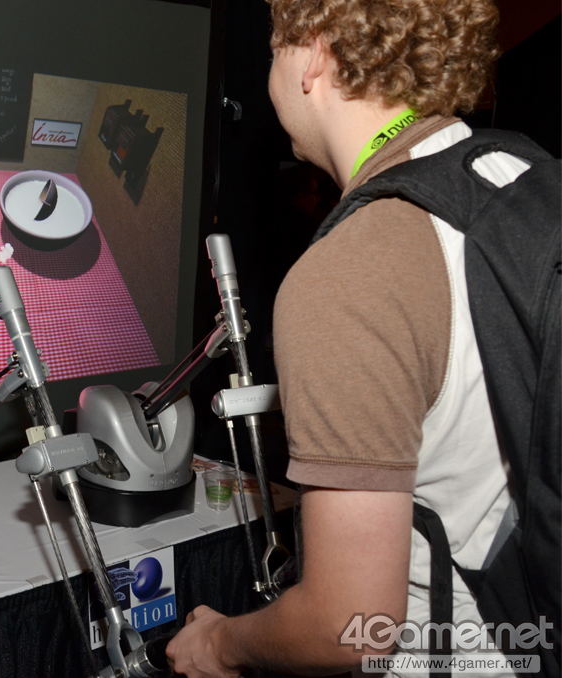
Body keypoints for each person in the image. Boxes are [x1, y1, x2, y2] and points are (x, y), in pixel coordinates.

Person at [166, 0, 524, 675]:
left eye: (275, 50)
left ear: (315, 53)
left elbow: (351, 626)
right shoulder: (524, 181)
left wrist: (219, 644)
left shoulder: (356, 268)